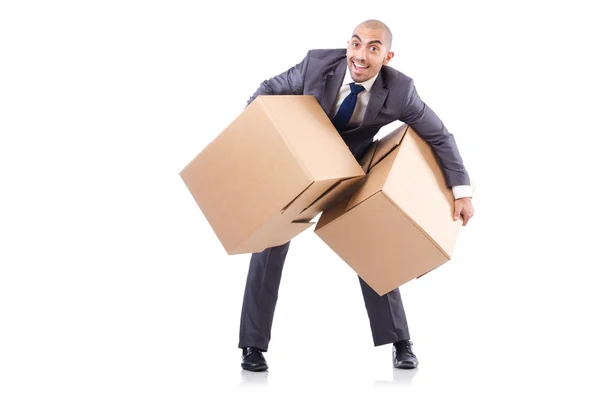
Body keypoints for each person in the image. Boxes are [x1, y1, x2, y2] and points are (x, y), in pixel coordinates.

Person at [238, 19, 475, 372]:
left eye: (373, 48)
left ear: (387, 56)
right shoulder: (317, 64)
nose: (360, 55)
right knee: (269, 243)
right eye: (356, 44)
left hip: (351, 171)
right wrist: (256, 134)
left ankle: (400, 342)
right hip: (303, 170)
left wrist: (461, 192)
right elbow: (269, 89)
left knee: (370, 243)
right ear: (348, 45)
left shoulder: (400, 91)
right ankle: (252, 347)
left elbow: (439, 135)